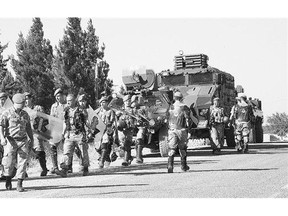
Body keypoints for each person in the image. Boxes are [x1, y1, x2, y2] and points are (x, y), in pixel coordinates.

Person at [0, 93, 34, 192]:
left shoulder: (25, 114)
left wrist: (31, 139)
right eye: (20, 104)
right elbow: (1, 126)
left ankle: (19, 183)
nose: (22, 106)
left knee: (22, 162)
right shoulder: (6, 113)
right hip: (10, 140)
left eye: (23, 104)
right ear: (14, 103)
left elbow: (28, 128)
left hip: (23, 140)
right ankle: (8, 179)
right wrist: (2, 138)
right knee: (9, 163)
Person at [59, 94, 89, 177]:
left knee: (83, 152)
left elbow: (86, 121)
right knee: (67, 152)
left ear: (74, 101)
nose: (68, 102)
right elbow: (65, 123)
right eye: (67, 100)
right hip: (69, 134)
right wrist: (63, 133)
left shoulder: (81, 110)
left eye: (70, 100)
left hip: (79, 133)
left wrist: (88, 131)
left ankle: (85, 167)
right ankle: (64, 169)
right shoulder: (66, 111)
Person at [167, 91, 193, 173]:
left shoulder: (170, 107)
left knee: (172, 148)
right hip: (182, 130)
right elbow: (188, 120)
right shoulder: (184, 107)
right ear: (181, 98)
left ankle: (170, 165)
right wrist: (189, 130)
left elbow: (166, 119)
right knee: (183, 148)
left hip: (171, 130)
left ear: (174, 98)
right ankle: (183, 166)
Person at [24, 92, 49, 176]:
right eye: (25, 99)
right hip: (26, 133)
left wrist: (40, 130)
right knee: (25, 152)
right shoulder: (22, 110)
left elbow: (43, 119)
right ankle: (24, 171)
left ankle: (44, 169)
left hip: (36, 133)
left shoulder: (37, 108)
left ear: (31, 99)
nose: (26, 101)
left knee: (39, 151)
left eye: (27, 98)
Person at [95, 96, 118, 168]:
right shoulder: (97, 111)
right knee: (97, 148)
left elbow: (113, 122)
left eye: (104, 102)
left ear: (107, 103)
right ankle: (106, 158)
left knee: (104, 144)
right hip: (98, 130)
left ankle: (101, 162)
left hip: (107, 130)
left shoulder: (110, 111)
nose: (102, 104)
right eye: (101, 102)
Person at [49, 88, 66, 175]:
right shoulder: (54, 106)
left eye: (60, 96)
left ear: (63, 96)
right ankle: (55, 167)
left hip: (67, 128)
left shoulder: (67, 105)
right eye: (57, 96)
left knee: (66, 149)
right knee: (52, 147)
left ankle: (66, 166)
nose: (58, 98)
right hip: (57, 129)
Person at [117, 94, 135, 166]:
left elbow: (137, 118)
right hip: (122, 129)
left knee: (127, 144)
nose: (128, 102)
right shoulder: (121, 110)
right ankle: (129, 157)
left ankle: (126, 160)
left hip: (129, 129)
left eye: (129, 101)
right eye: (126, 101)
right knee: (123, 145)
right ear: (124, 102)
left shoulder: (133, 110)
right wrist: (118, 114)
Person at [131, 95, 148, 164]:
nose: (133, 103)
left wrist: (144, 122)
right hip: (133, 127)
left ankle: (139, 157)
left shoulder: (143, 109)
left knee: (139, 140)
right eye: (132, 101)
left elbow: (147, 118)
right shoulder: (131, 110)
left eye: (135, 101)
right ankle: (133, 157)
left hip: (141, 127)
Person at [0, 92, 8, 181]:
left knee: (7, 154)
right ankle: (2, 172)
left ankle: (5, 172)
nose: (2, 101)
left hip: (6, 135)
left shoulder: (9, 110)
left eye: (4, 99)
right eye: (1, 99)